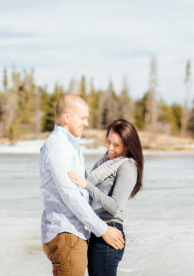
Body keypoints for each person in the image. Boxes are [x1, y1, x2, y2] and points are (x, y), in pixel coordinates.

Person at [39, 94, 125, 276]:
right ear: (67, 117)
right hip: (67, 232)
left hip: (72, 233)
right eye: (83, 118)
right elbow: (69, 195)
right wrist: (103, 230)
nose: (86, 123)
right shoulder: (59, 147)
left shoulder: (69, 146)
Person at [68, 119, 144, 276]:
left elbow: (115, 207)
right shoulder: (104, 163)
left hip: (109, 235)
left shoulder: (127, 166)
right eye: (108, 141)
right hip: (97, 231)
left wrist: (86, 185)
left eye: (116, 145)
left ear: (128, 145)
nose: (110, 148)